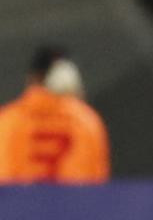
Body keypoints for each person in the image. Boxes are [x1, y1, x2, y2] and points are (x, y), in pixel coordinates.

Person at [0, 46, 110, 184]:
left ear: (33, 78)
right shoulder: (86, 121)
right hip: (74, 205)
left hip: (19, 205)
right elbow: (98, 185)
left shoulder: (8, 121)